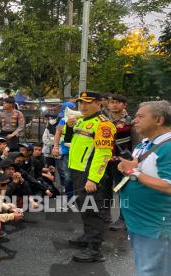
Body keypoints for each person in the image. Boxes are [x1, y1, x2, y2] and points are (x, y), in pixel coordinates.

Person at [117, 100, 171, 276]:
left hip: (155, 226)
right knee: (145, 268)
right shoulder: (145, 143)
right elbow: (140, 169)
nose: (134, 120)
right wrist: (130, 167)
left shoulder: (168, 147)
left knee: (153, 271)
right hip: (140, 223)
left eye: (141, 116)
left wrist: (134, 171)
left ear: (159, 120)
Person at [64, 91, 116, 262]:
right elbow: (69, 140)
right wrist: (69, 127)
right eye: (81, 103)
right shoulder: (80, 120)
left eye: (88, 102)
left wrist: (93, 178)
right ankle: (87, 237)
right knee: (84, 207)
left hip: (90, 174)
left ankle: (94, 250)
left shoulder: (103, 125)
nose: (83, 106)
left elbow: (103, 154)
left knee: (93, 210)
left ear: (99, 104)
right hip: (78, 171)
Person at [106, 94, 133, 230]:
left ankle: (124, 218)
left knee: (123, 190)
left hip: (122, 163)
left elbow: (135, 143)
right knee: (105, 189)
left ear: (124, 105)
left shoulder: (130, 122)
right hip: (105, 162)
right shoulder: (103, 121)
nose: (114, 105)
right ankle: (106, 215)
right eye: (112, 102)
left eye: (117, 102)